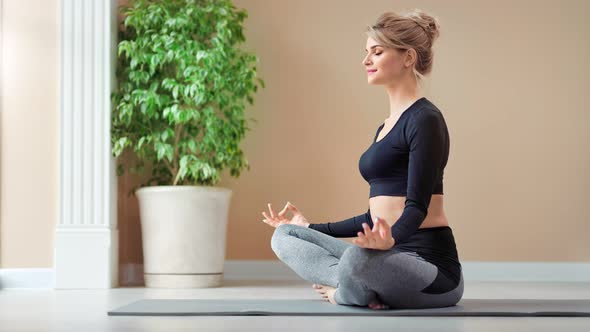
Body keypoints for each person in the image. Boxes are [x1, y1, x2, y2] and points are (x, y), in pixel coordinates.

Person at [262, 8, 463, 310]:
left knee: (359, 257)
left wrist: (389, 242)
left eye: (377, 52)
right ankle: (359, 288)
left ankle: (344, 293)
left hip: (431, 270)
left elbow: (417, 208)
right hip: (383, 256)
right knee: (285, 235)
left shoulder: (425, 119)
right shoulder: (385, 127)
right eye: (366, 52)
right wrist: (311, 227)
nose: (366, 60)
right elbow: (373, 218)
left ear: (408, 58)